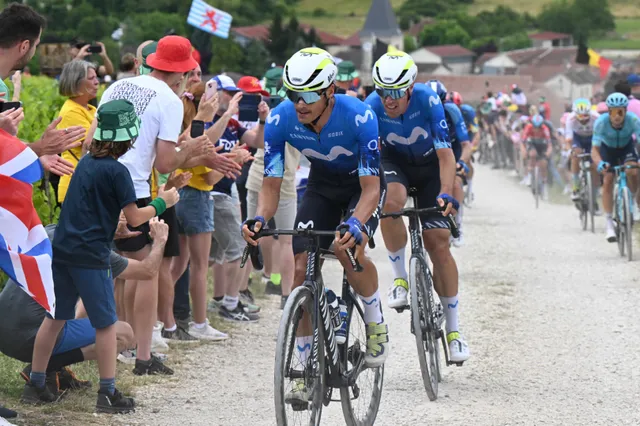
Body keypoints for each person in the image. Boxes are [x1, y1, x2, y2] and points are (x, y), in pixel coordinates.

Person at [243, 48, 390, 389]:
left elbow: (370, 189)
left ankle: (374, 319)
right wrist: (260, 218)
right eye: (294, 94)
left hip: (361, 186)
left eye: (309, 94)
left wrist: (356, 222)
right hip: (323, 186)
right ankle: (306, 367)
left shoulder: (360, 116)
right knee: (299, 268)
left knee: (347, 247)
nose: (300, 103)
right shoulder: (281, 121)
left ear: (329, 91)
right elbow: (270, 185)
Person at [26, 99, 180, 413]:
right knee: (107, 325)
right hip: (91, 256)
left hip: (63, 250)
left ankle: (37, 382)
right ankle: (107, 393)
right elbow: (136, 218)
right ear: (130, 138)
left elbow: (91, 209)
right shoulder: (118, 171)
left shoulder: (85, 162)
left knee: (55, 318)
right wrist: (164, 202)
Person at [97, 36, 238, 372]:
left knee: (119, 270)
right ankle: (143, 354)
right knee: (146, 271)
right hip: (135, 186)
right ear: (182, 72)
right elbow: (164, 162)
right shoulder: (170, 101)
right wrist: (194, 149)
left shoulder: (117, 87)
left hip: (100, 181)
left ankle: (125, 346)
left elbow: (96, 138)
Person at [366, 51, 469, 363]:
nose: (389, 100)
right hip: (395, 162)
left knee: (438, 244)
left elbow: (446, 155)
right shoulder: (372, 106)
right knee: (391, 204)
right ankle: (399, 280)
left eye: (396, 92)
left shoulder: (428, 100)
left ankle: (453, 332)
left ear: (410, 88)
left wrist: (448, 192)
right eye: (383, 92)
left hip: (429, 168)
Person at [0, 220, 168, 392]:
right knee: (124, 334)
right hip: (29, 337)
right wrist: (160, 240)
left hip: (3, 331)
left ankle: (52, 371)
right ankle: (43, 368)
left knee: (61, 315)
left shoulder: (50, 230)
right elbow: (147, 271)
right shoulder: (91, 248)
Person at [205, 74, 264, 323]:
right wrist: (234, 157)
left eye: (232, 94)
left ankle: (220, 299)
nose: (229, 98)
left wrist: (262, 120)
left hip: (224, 190)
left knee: (217, 254)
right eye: (226, 93)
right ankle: (230, 303)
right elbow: (209, 148)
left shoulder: (233, 125)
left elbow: (258, 142)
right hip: (211, 190)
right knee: (239, 247)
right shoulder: (208, 121)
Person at [0, 3, 86, 174]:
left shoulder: (3, 86)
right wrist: (40, 147)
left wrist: (33, 151)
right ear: (24, 46)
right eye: (35, 45)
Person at [244, 73, 301, 309]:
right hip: (285, 181)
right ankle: (286, 295)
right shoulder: (302, 114)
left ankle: (242, 289)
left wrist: (263, 119)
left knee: (250, 234)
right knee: (286, 242)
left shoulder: (269, 112)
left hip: (259, 175)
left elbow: (258, 141)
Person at [426, 80, 471, 248]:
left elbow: (466, 145)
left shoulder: (452, 111)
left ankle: (457, 224)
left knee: (456, 183)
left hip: (453, 150)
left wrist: (461, 162)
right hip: (432, 154)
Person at [592, 92, 640, 242]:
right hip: (608, 150)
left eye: (620, 111)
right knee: (608, 179)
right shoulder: (601, 122)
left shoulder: (633, 120)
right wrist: (600, 163)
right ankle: (609, 224)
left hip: (626, 148)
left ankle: (631, 201)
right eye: (613, 112)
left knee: (632, 170)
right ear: (608, 111)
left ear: (626, 111)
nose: (617, 116)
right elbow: (594, 149)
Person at [55, 60, 100, 203]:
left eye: (96, 77)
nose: (97, 82)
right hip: (75, 186)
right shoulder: (71, 111)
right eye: (91, 78)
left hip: (87, 184)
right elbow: (94, 144)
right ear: (76, 82)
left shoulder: (91, 110)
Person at [565, 98, 600, 203]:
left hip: (592, 138)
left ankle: (594, 197)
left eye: (586, 115)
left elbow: (601, 138)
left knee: (595, 166)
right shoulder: (570, 119)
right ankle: (575, 188)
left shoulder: (596, 117)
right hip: (578, 138)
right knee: (575, 156)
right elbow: (569, 140)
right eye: (580, 116)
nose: (583, 119)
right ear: (575, 114)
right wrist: (570, 151)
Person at [522, 114, 552, 199]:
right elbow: (522, 142)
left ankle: (544, 184)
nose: (537, 129)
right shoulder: (528, 127)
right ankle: (529, 175)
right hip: (532, 143)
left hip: (542, 145)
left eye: (539, 127)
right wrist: (524, 151)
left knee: (543, 164)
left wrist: (548, 153)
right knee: (532, 154)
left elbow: (549, 144)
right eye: (535, 127)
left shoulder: (545, 129)